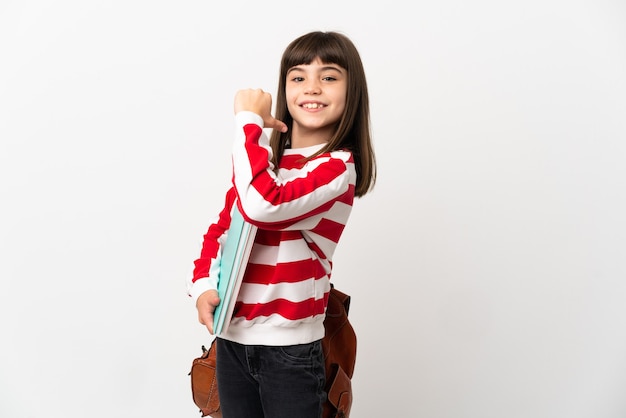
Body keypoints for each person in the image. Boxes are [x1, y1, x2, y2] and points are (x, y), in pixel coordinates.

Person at [187, 30, 376, 418]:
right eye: (298, 77)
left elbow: (262, 206)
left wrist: (248, 122)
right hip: (232, 340)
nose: (312, 87)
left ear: (351, 90)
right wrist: (204, 284)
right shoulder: (263, 167)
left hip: (289, 351)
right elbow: (222, 227)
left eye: (329, 76)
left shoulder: (337, 168)